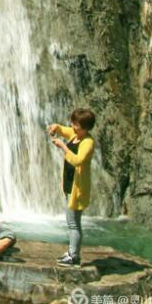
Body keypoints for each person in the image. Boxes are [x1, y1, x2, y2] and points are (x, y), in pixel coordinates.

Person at [47, 108, 96, 267]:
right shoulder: (76, 135)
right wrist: (56, 127)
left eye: (76, 124)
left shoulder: (87, 142)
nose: (72, 126)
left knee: (73, 223)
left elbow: (77, 160)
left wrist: (63, 147)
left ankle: (73, 256)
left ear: (85, 127)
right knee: (72, 221)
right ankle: (72, 252)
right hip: (69, 186)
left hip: (78, 189)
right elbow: (65, 130)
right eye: (73, 123)